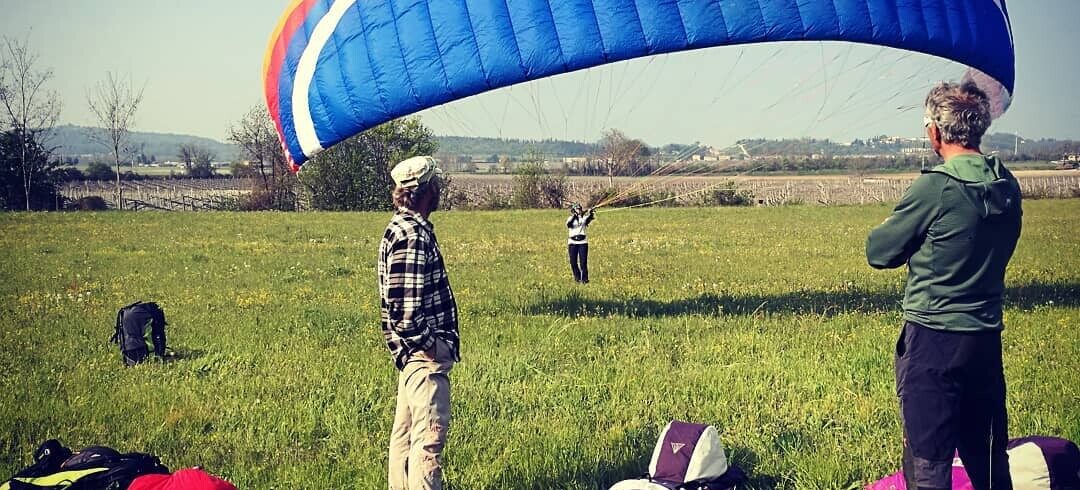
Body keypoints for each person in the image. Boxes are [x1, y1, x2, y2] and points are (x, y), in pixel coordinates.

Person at [866, 81, 1022, 490]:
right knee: (988, 460)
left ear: (935, 132)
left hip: (933, 343)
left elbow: (879, 252)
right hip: (985, 340)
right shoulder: (1006, 184)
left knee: (929, 461)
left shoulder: (935, 187)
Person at [377, 155, 459, 490]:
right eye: (436, 183)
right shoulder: (412, 235)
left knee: (405, 440)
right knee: (428, 444)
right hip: (424, 360)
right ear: (426, 190)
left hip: (412, 358)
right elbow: (405, 314)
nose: (440, 188)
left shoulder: (401, 227)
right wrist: (435, 348)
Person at [566, 202, 595, 283]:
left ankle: (585, 280)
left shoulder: (583, 218)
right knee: (573, 262)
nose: (579, 210)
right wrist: (575, 216)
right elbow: (569, 225)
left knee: (583, 262)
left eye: (580, 209)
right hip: (572, 243)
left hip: (583, 243)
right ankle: (577, 278)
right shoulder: (570, 218)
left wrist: (591, 213)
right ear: (574, 210)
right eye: (577, 209)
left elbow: (589, 219)